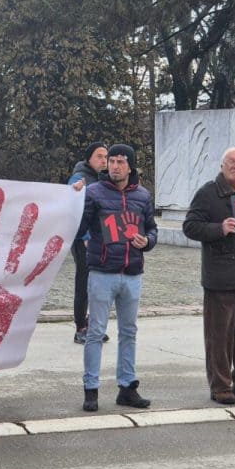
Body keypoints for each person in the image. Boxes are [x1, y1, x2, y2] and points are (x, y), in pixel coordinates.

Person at [74, 144, 157, 412]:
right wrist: (73, 199)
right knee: (96, 332)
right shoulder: (94, 192)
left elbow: (152, 229)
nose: (115, 166)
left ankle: (127, 386)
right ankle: (91, 388)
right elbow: (78, 226)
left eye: (121, 161)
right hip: (102, 271)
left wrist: (147, 242)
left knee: (129, 331)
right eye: (111, 161)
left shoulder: (143, 196)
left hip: (132, 272)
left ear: (130, 166)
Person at [183, 147, 235, 405]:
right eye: (231, 161)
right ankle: (220, 385)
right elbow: (190, 226)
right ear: (222, 165)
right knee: (220, 335)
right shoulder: (208, 193)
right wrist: (219, 228)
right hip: (220, 275)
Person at [67, 141, 109, 344]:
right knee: (83, 281)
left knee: (100, 282)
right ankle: (80, 327)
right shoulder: (80, 177)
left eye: (105, 157)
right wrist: (84, 238)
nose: (104, 160)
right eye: (99, 156)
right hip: (82, 239)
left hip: (101, 238)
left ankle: (94, 324)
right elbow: (74, 204)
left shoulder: (105, 179)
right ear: (89, 159)